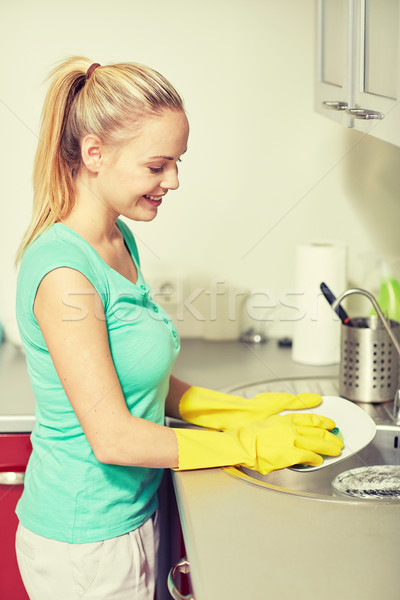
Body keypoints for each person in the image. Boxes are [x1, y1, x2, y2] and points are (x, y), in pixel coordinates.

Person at [15, 56, 343, 600]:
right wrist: (247, 444)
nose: (173, 180)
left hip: (134, 515)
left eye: (177, 162)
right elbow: (114, 438)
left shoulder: (119, 241)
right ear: (94, 153)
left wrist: (230, 409)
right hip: (86, 544)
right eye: (157, 165)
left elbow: (133, 377)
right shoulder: (64, 274)